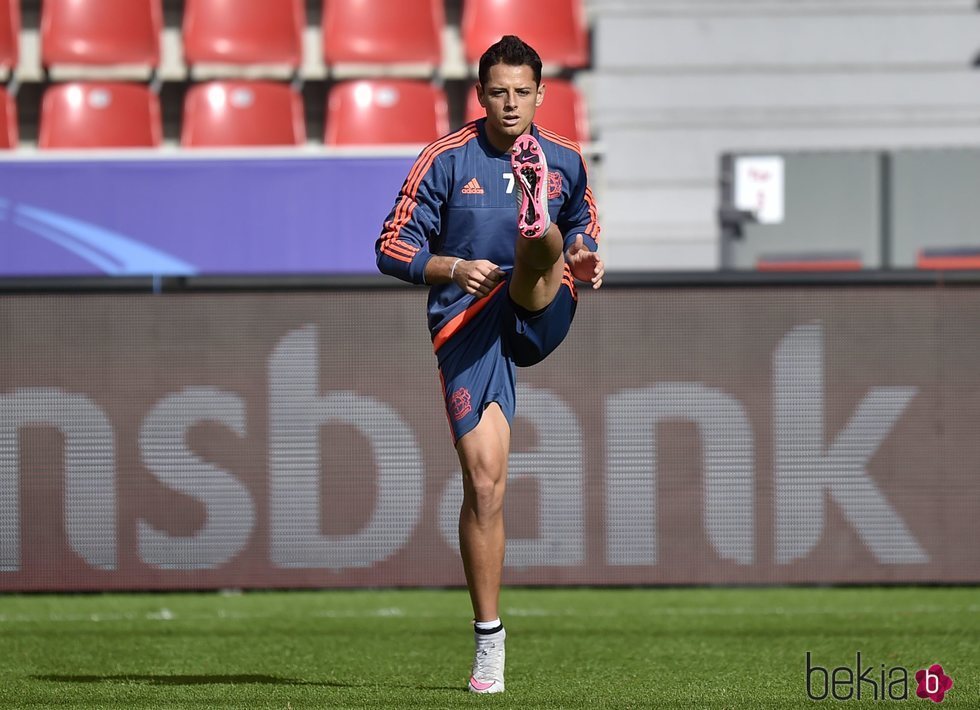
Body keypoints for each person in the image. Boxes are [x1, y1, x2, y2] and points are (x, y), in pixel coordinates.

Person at [375, 35, 603, 694]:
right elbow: (391, 245)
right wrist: (451, 266)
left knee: (539, 255)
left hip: (538, 302)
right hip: (467, 321)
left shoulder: (563, 159)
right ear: (480, 95)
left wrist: (583, 252)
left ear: (539, 94)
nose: (509, 102)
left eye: (521, 92)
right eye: (497, 91)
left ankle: (536, 231)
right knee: (485, 484)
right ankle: (490, 646)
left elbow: (586, 222)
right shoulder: (445, 159)